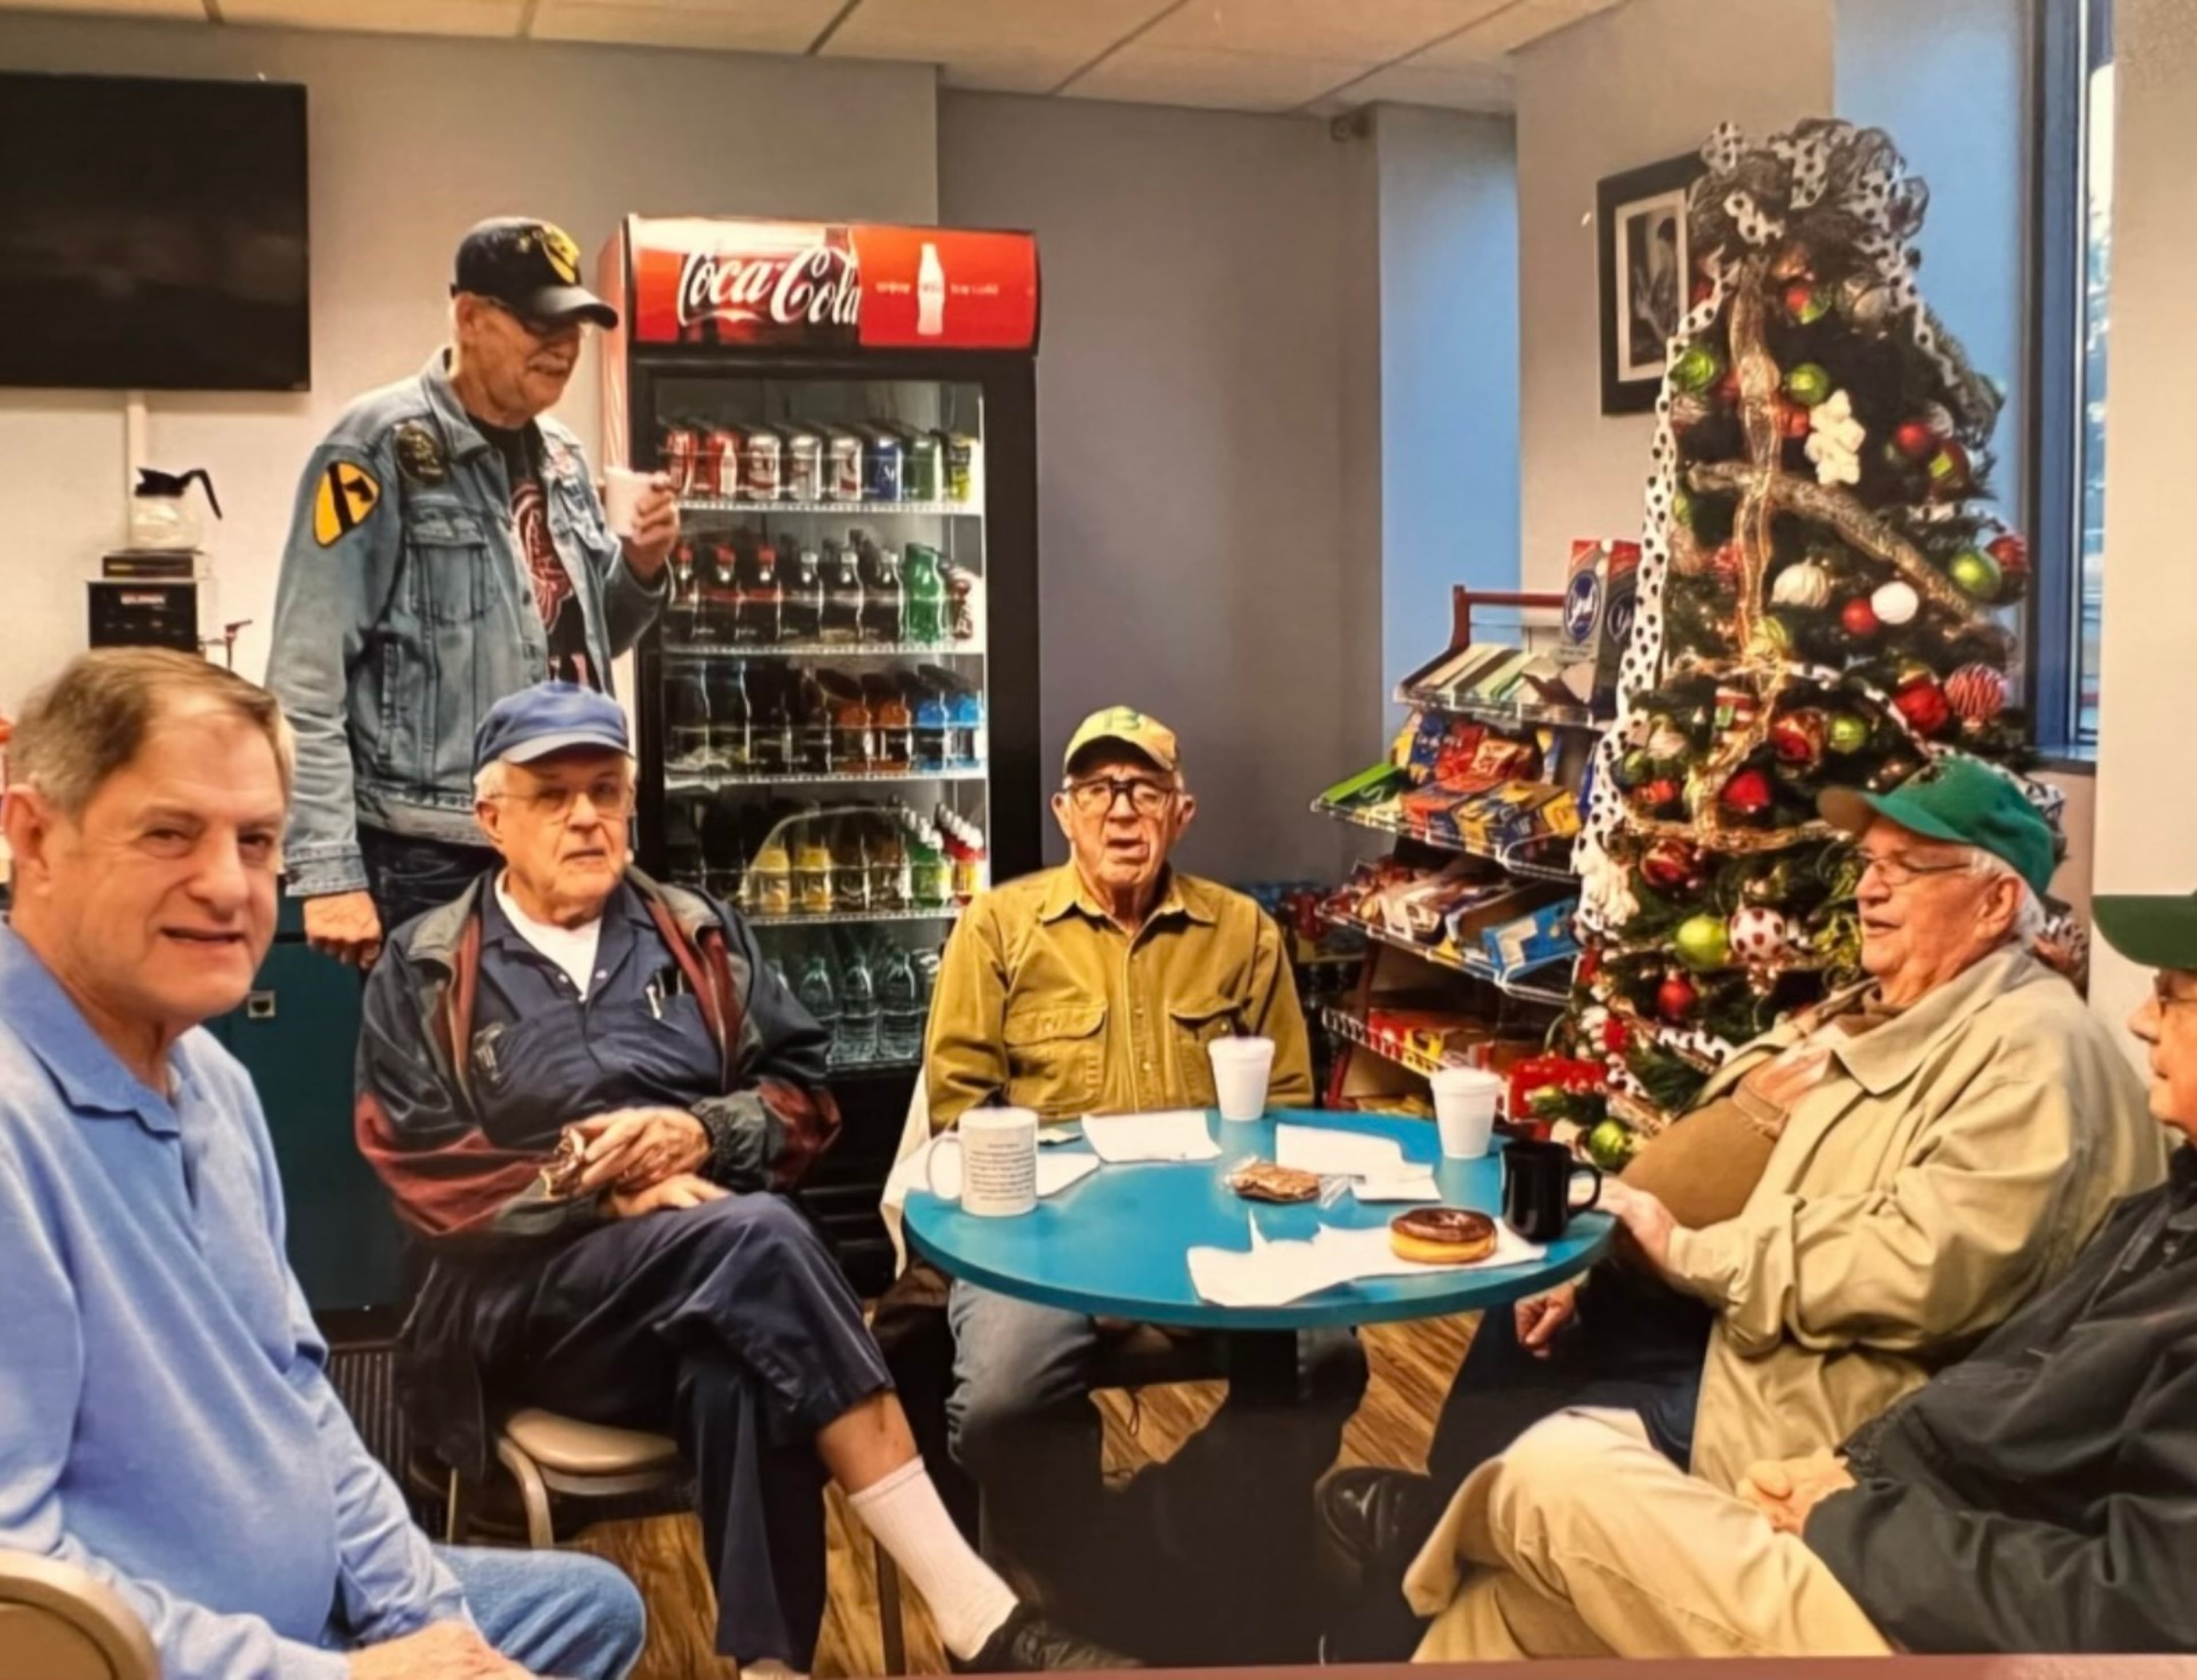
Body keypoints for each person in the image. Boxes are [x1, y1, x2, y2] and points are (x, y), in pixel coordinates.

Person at [355, 681, 1127, 1675]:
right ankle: (976, 1612)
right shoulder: (428, 967)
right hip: (530, 1316)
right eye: (553, 795)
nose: (586, 815)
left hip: (709, 1296)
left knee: (746, 1366)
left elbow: (808, 1099)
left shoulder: (696, 931)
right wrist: (600, 1185)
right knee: (760, 1239)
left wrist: (699, 1129)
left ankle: (771, 1669)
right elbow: (422, 1176)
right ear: (492, 817)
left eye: (605, 789)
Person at [1320, 756, 2164, 1655]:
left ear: (1997, 902)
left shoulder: (2032, 1048)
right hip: (1745, 1316)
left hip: (1825, 1383)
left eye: (1906, 868)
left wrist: (1693, 1254)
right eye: (1868, 863)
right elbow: (1745, 1142)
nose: (1869, 890)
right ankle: (1441, 1525)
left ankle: (1428, 1551)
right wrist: (1613, 1245)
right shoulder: (1877, 1002)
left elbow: (1929, 1264)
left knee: (1553, 1449)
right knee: (1531, 1303)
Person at [0, 649, 645, 1680]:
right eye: (170, 832)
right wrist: (345, 1677)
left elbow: (301, 1398)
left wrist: (436, 1631)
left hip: (316, 1610)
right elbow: (23, 1602)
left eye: (256, 841)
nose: (225, 885)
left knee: (592, 1608)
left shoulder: (211, 1080)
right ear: (34, 835)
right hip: (183, 1658)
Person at [922, 704, 1367, 1662]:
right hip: (1042, 1243)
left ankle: (1161, 1528)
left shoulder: (1241, 932)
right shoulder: (998, 928)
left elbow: (1288, 1113)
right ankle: (1085, 1566)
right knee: (999, 1405)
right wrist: (1083, 1252)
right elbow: (960, 1117)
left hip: (1219, 1239)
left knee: (1330, 1361)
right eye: (1098, 790)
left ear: (1182, 810)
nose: (1122, 811)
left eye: (1145, 789)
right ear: (1064, 812)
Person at [265, 216, 679, 967]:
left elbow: (582, 639)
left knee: (569, 1070)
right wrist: (328, 871)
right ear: (470, 318)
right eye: (538, 323)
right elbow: (305, 673)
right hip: (434, 854)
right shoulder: (377, 446)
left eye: (577, 327)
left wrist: (644, 566)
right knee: (437, 1076)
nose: (563, 347)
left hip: (566, 835)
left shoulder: (563, 455)